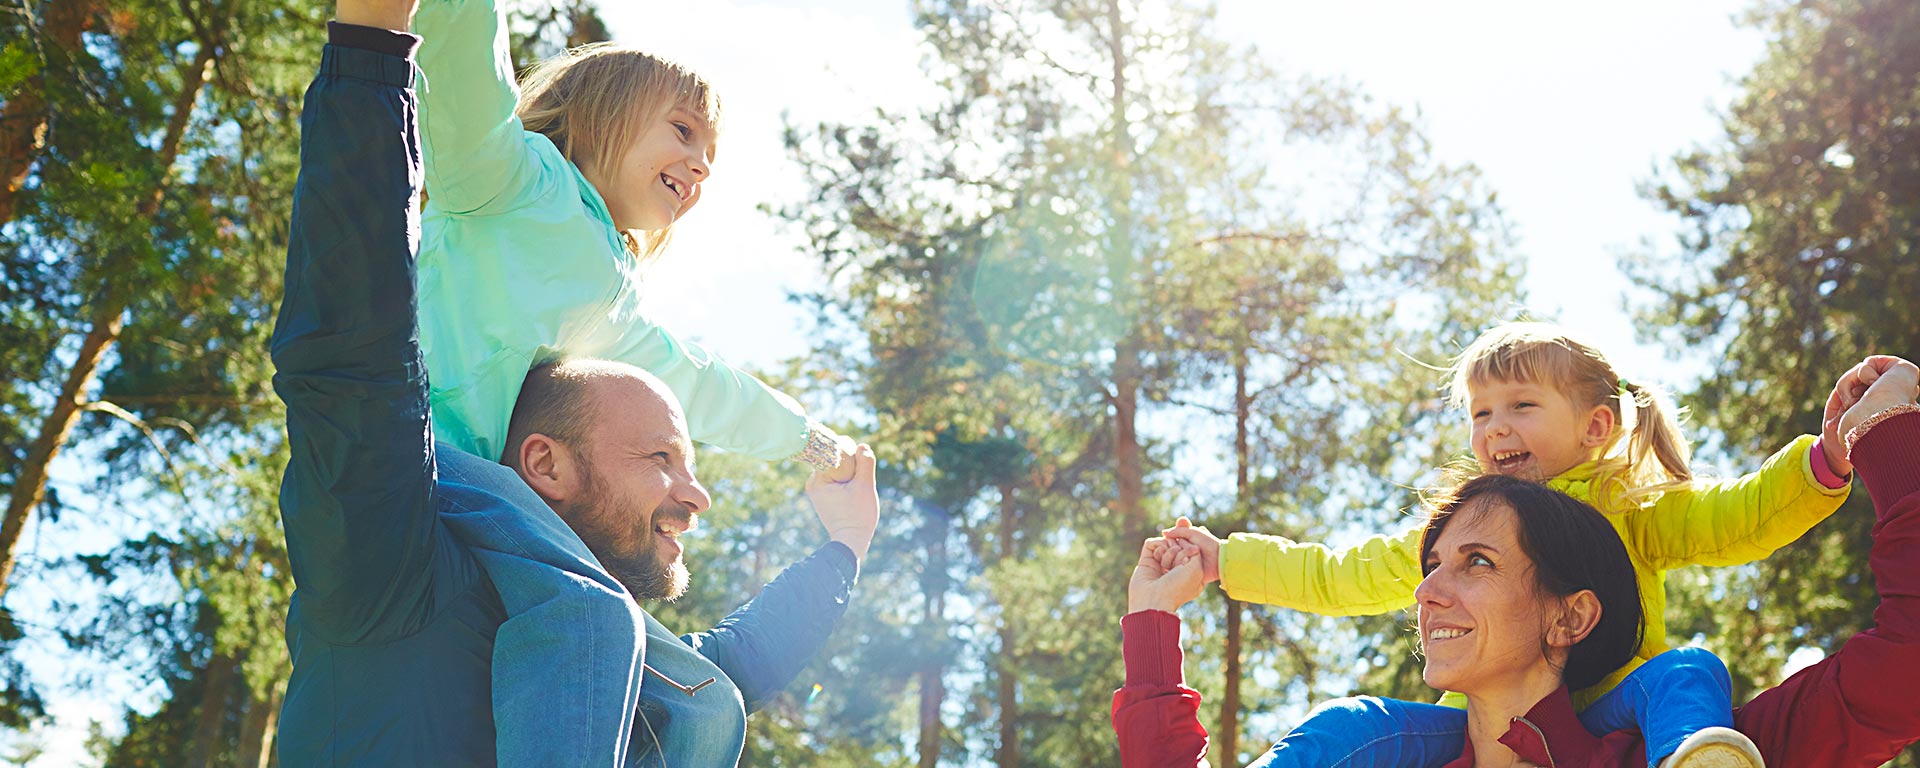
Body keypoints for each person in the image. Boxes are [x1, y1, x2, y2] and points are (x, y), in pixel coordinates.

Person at [269, 10, 879, 766]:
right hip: (421, 467)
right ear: (601, 112)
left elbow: (709, 385)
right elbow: (465, 85)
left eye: (711, 153)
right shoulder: (511, 181)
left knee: (702, 695)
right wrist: (382, 35)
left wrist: (817, 461)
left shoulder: (617, 308)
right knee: (593, 616)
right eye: (684, 130)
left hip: (495, 510)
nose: (701, 165)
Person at [1116, 353, 1920, 767]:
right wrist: (1186, 594)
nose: (1428, 589)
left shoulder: (1636, 512)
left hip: (1639, 717)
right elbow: (1336, 573)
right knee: (1350, 726)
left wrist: (1848, 450)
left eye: (1478, 563)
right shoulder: (1388, 745)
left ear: (1573, 613)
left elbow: (1741, 513)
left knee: (1689, 671)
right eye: (1481, 412)